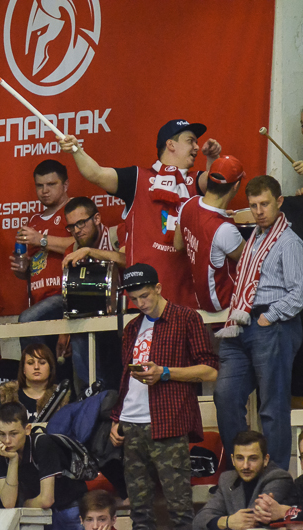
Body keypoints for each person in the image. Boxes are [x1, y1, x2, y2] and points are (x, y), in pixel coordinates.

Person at [58, 119, 222, 307]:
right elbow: (96, 174)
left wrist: (213, 159)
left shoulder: (194, 181)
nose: (196, 147)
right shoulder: (138, 178)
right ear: (171, 144)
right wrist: (77, 150)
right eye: (190, 141)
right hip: (143, 301)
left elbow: (217, 188)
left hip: (187, 301)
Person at [109, 263, 219, 530]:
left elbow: (210, 370)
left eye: (145, 296)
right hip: (131, 422)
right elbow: (126, 379)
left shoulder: (186, 318)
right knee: (139, 512)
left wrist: (165, 372)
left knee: (179, 509)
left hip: (168, 421)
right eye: (134, 299)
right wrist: (117, 417)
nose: (141, 303)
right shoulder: (132, 327)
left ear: (158, 288)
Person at [214, 175, 303, 469]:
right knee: (225, 396)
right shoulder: (254, 239)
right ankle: (244, 470)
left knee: (273, 406)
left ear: (279, 202)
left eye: (264, 204)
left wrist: (269, 316)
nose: (259, 211)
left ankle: (275, 477)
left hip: (272, 324)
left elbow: (299, 292)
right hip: (240, 324)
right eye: (253, 205)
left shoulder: (289, 241)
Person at [61, 196, 125, 392]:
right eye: (71, 226)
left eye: (81, 223)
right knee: (31, 317)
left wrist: (90, 252)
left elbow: (127, 259)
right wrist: (65, 330)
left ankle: (108, 395)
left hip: (122, 313)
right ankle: (92, 395)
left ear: (96, 218)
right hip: (89, 316)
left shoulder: (117, 234)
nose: (76, 230)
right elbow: (69, 292)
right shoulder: (72, 250)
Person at [11, 159, 75, 352]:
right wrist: (22, 269)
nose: (44, 191)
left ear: (65, 184)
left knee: (27, 320)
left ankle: (34, 371)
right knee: (56, 360)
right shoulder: (34, 221)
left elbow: (84, 245)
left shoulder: (75, 210)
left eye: (51, 184)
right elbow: (32, 268)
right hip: (40, 300)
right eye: (39, 186)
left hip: (66, 295)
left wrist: (41, 239)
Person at [0, 402, 86, 529]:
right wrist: (13, 460)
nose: (7, 440)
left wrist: (24, 505)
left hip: (70, 508)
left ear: (27, 429)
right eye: (2, 434)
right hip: (41, 512)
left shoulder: (42, 443)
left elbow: (47, 499)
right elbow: (8, 503)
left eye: (14, 434)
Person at [174, 156, 245, 312]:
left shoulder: (189, 204)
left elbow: (178, 244)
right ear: (236, 186)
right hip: (226, 306)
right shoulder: (224, 229)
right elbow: (252, 262)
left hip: (202, 302)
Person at [193, 431, 297, 530]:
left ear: (265, 460)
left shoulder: (278, 477)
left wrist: (227, 522)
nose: (245, 466)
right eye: (240, 458)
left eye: (253, 458)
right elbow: (200, 519)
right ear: (233, 460)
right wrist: (228, 521)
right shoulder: (227, 479)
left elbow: (255, 518)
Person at [0, 344, 70, 423]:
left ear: (50, 368)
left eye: (42, 363)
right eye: (30, 363)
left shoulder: (62, 398)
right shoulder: (5, 397)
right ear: (23, 369)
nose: (36, 367)